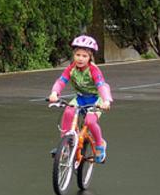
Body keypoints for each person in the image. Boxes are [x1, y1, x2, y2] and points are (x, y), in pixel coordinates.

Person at [47, 35, 112, 163]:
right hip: (81, 98)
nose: (80, 58)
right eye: (78, 55)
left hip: (96, 98)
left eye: (84, 56)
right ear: (73, 55)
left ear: (90, 57)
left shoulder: (93, 70)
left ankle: (100, 144)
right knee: (68, 112)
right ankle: (65, 146)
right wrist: (54, 93)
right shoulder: (71, 69)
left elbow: (101, 86)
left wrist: (106, 101)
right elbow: (61, 81)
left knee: (89, 121)